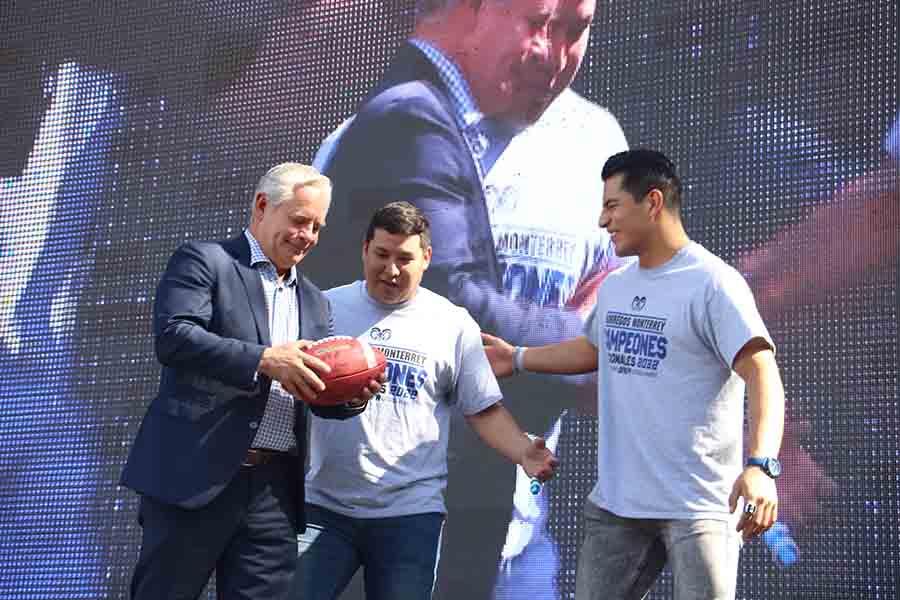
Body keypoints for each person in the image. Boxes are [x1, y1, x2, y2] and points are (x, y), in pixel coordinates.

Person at [307, 1, 610, 595]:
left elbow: (611, 287)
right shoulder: (408, 122)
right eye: (537, 23)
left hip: (496, 537)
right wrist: (596, 349)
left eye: (575, 30)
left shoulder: (591, 142)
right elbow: (447, 301)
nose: (553, 53)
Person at [483, 149, 786, 600]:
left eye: (612, 206)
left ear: (653, 202)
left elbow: (763, 373)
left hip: (699, 508)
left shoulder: (712, 282)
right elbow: (593, 349)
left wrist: (762, 467)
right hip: (617, 507)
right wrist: (519, 357)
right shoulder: (618, 285)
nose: (602, 221)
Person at [120, 163, 376, 599]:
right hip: (195, 478)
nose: (308, 235)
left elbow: (311, 391)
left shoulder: (315, 303)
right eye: (299, 220)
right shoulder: (205, 261)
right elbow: (176, 337)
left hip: (273, 493)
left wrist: (351, 396)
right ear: (262, 206)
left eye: (317, 226)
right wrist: (264, 359)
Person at [289, 201, 558, 600]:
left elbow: (483, 408)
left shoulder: (452, 323)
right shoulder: (322, 308)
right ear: (364, 250)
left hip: (409, 515)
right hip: (323, 507)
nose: (391, 269)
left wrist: (524, 452)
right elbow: (289, 382)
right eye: (381, 254)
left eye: (404, 258)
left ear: (426, 258)